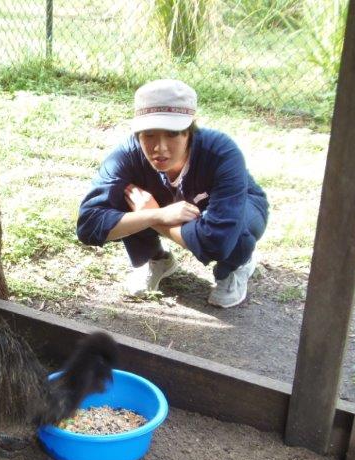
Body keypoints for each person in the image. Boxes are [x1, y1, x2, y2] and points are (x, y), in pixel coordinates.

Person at [76, 79, 269, 308]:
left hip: (236, 205)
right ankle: (155, 258)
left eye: (172, 133)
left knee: (237, 229)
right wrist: (156, 215)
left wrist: (153, 217)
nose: (160, 148)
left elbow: (218, 243)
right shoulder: (126, 155)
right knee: (128, 197)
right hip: (172, 206)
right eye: (149, 134)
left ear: (189, 131)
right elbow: (88, 226)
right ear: (137, 133)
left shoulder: (222, 152)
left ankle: (235, 267)